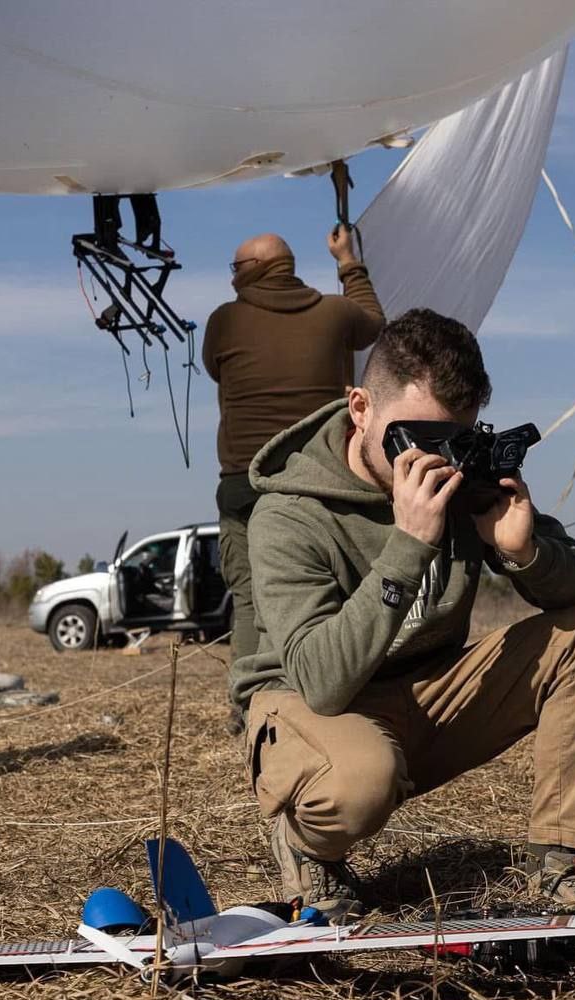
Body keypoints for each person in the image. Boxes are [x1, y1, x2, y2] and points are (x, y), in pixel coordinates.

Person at [231, 308, 575, 922]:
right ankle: (309, 846)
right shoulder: (288, 514)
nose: (432, 461)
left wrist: (523, 552)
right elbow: (322, 679)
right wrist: (409, 544)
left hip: (425, 698)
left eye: (453, 439)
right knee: (362, 773)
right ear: (359, 407)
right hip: (311, 709)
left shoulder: (460, 477)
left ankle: (562, 861)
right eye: (409, 437)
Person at [203, 227, 384, 732]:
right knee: (331, 590)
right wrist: (348, 261)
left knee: (248, 597)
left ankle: (251, 709)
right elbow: (374, 323)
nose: (233, 279)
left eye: (235, 269)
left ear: (252, 271)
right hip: (314, 480)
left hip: (242, 482)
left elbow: (216, 370)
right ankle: (328, 692)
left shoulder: (224, 321)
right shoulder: (335, 314)